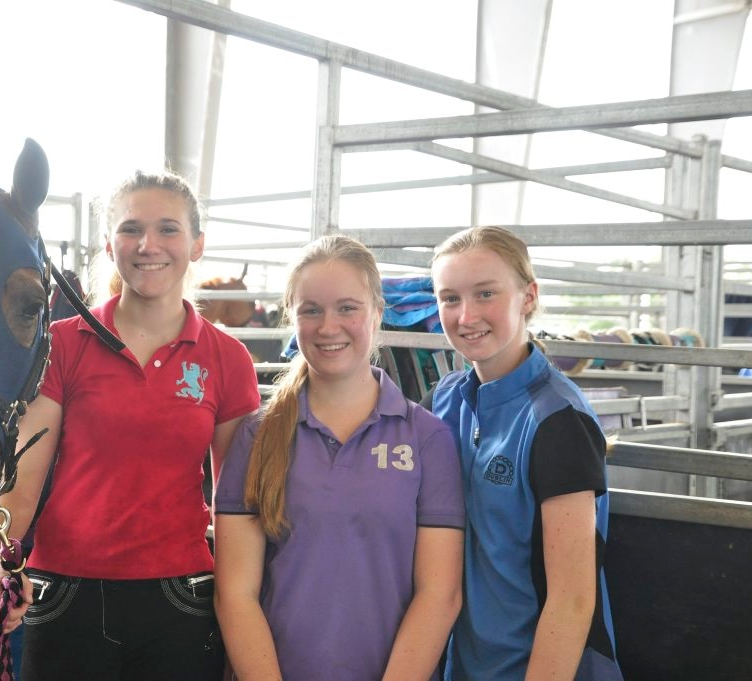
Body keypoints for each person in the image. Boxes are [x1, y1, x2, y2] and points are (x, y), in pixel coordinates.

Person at [0, 169, 261, 680]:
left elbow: (235, 506)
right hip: (63, 597)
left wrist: (244, 610)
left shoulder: (227, 359)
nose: (149, 244)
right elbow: (19, 488)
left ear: (197, 245)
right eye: (130, 229)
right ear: (109, 245)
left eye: (169, 228)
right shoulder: (61, 346)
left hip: (183, 601)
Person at [214, 235, 465, 681]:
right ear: (292, 316)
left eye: (347, 307)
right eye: (311, 310)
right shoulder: (259, 435)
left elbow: (439, 593)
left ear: (377, 312)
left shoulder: (427, 438)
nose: (328, 327)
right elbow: (235, 593)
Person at [426, 226, 624, 680]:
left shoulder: (558, 419)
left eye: (485, 294)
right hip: (464, 664)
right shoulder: (442, 401)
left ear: (528, 297)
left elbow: (573, 600)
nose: (466, 315)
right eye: (450, 298)